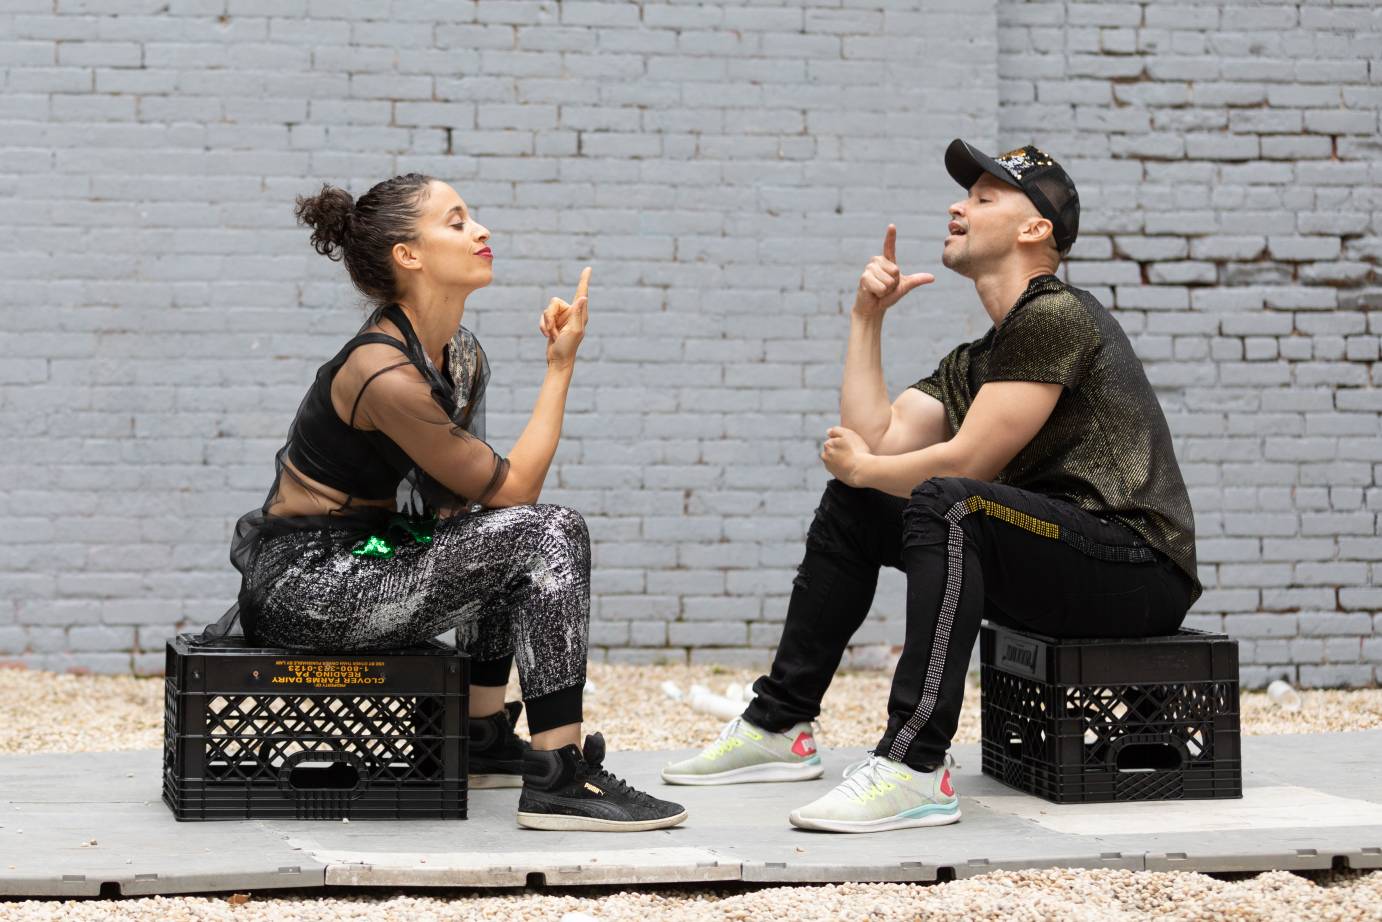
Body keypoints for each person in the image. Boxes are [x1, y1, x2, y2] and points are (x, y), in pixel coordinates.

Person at [662, 140, 1200, 834]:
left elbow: (965, 460)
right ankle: (780, 725)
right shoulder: (980, 359)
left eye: (983, 198)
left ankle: (914, 765)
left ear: (1035, 228)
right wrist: (867, 317)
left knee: (951, 501)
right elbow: (877, 438)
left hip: (1135, 565)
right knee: (859, 504)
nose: (957, 206)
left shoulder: (1056, 314)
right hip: (1055, 551)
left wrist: (864, 467)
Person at [195, 172, 685, 833]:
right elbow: (517, 488)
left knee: (506, 533)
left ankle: (483, 737)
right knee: (547, 531)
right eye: (456, 222)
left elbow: (467, 504)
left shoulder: (460, 356)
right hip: (309, 584)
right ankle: (560, 777)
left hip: (374, 553)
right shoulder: (382, 373)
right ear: (409, 255)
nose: (481, 231)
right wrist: (560, 367)